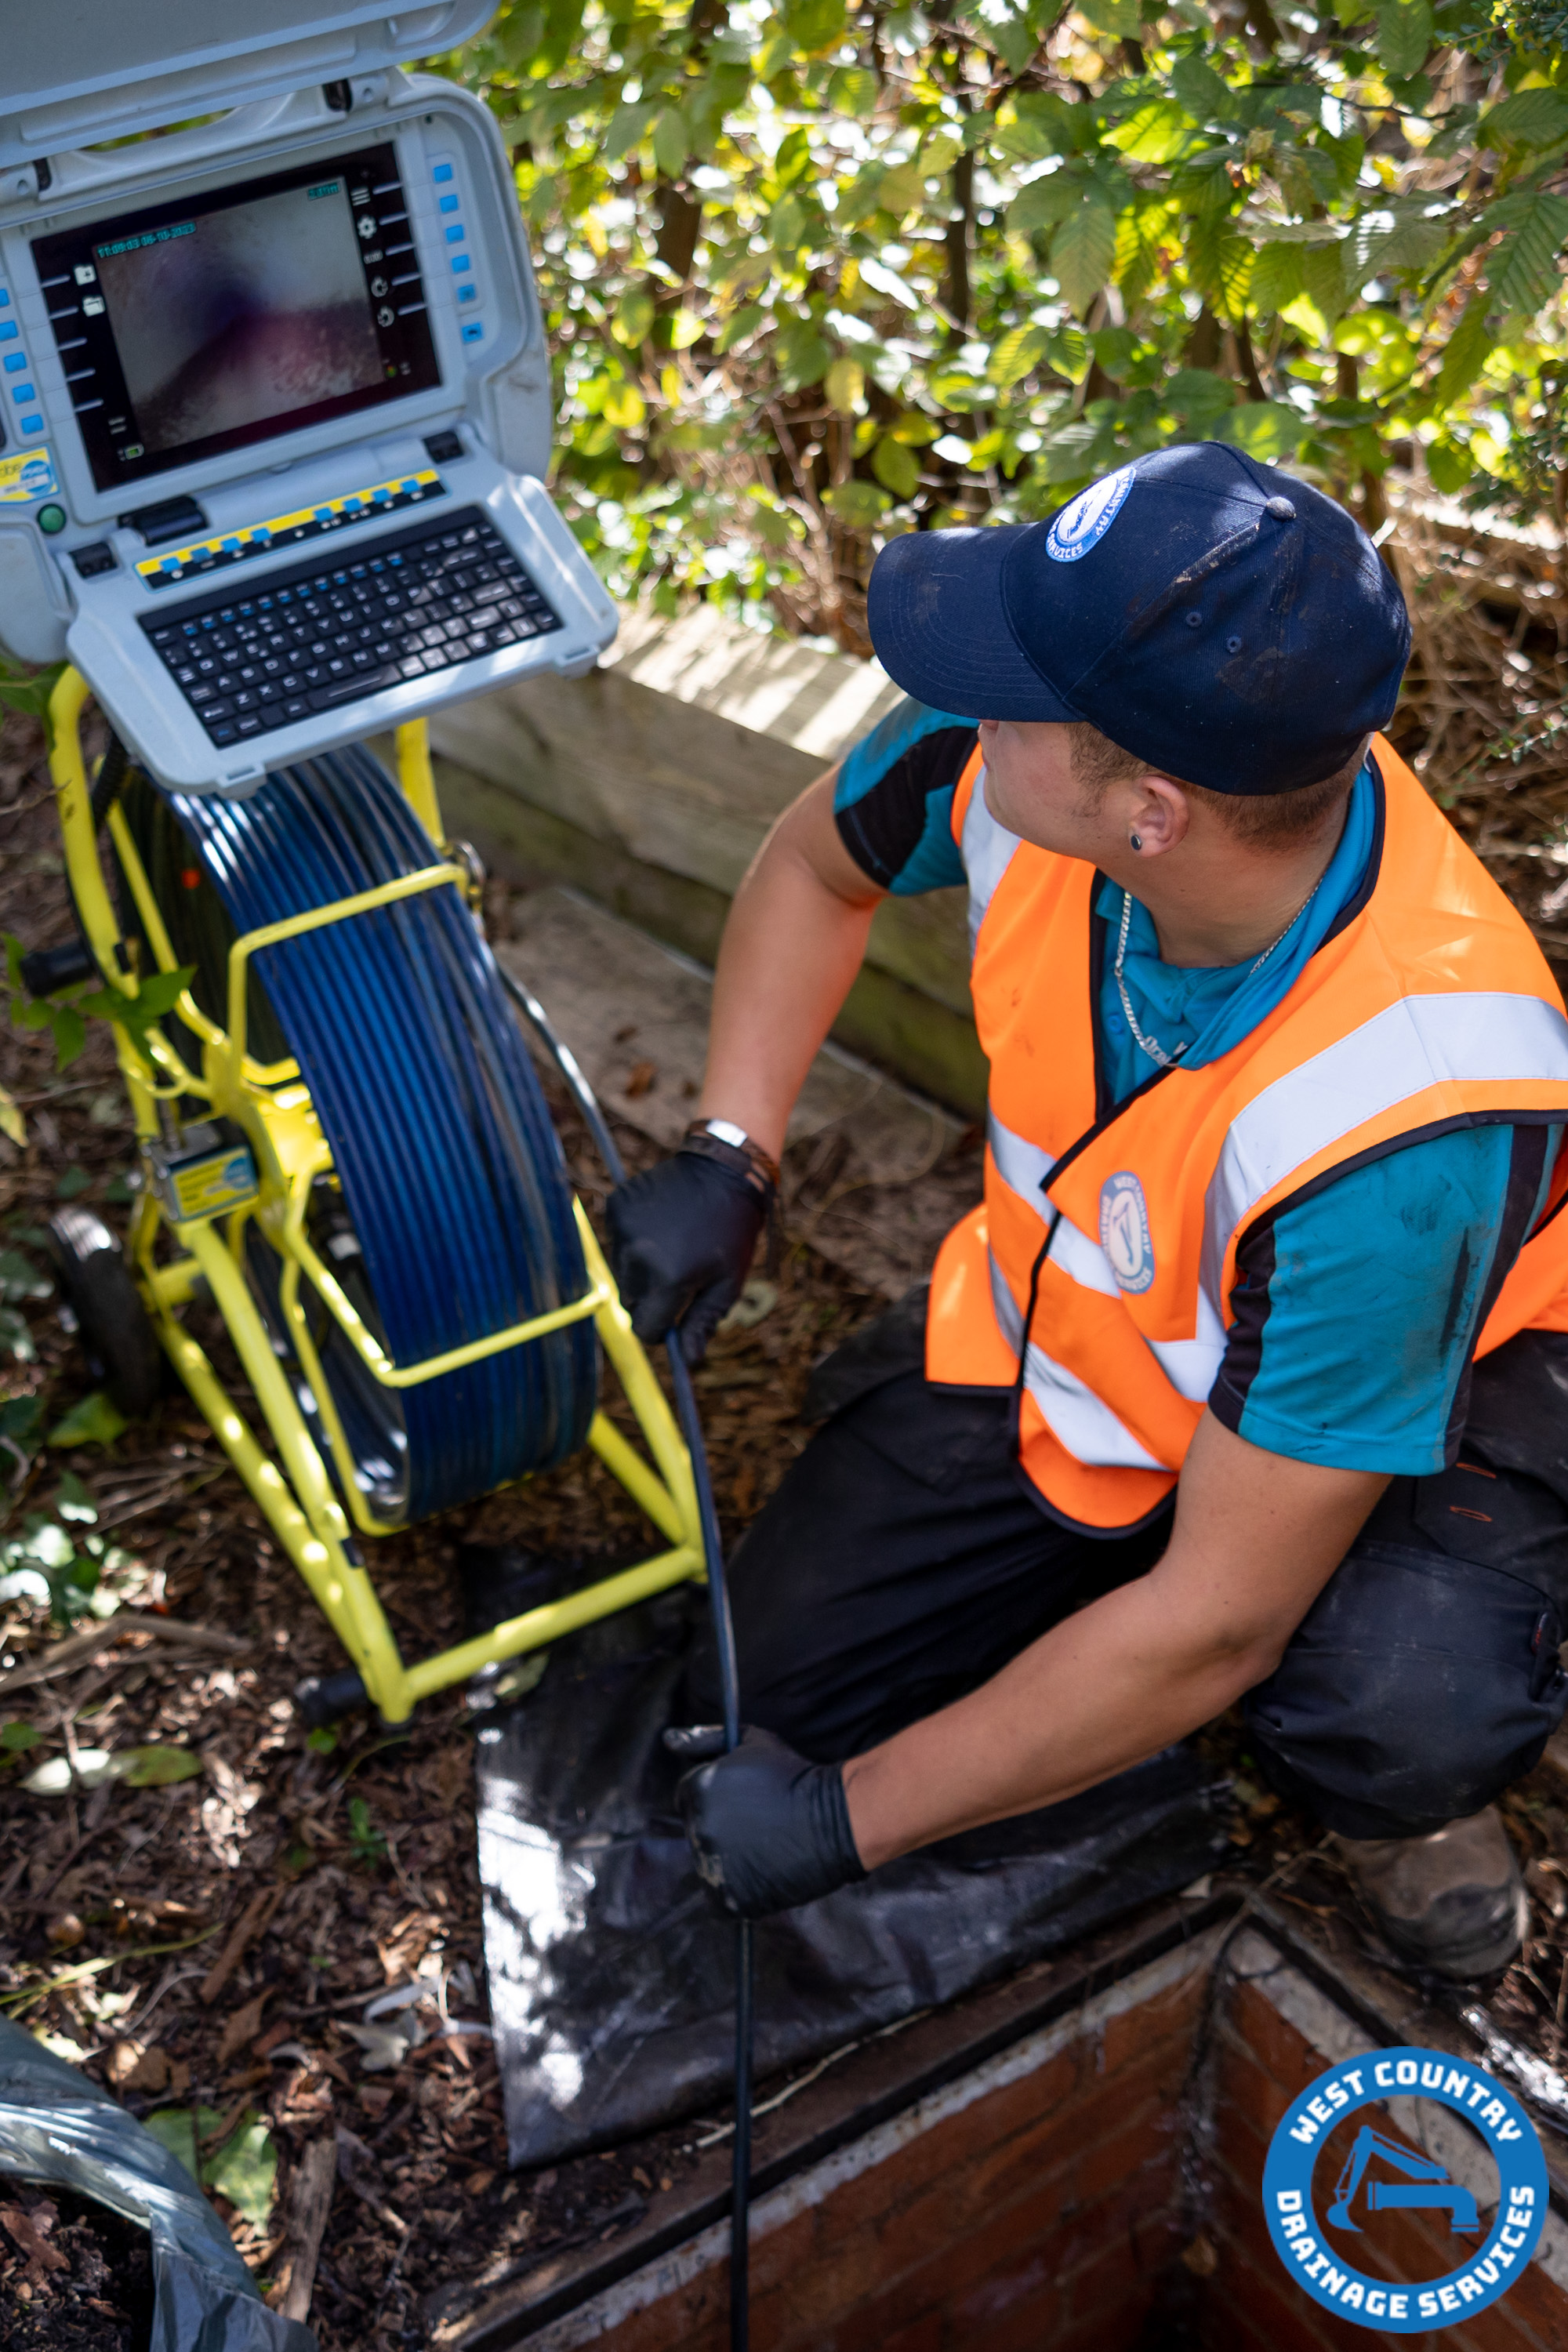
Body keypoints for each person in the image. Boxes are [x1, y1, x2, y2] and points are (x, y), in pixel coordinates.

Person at [606, 441, 1568, 1981]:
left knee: (1389, 1691)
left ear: (1155, 814)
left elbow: (1216, 1621)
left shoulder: (1408, 1122)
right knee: (761, 1694)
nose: (969, 715)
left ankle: (1402, 1794)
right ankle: (1112, 1572)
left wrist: (849, 1821)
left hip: (1426, 1392)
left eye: (1011, 697)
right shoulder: (1056, 769)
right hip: (1090, 1360)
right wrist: (733, 1151)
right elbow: (813, 868)